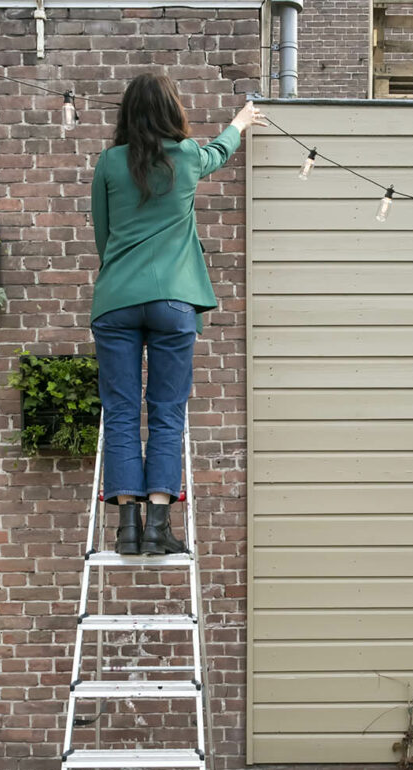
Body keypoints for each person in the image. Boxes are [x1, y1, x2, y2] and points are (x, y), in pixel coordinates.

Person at [90, 73, 267, 555]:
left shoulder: (108, 163)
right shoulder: (187, 156)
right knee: (166, 412)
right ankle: (158, 526)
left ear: (126, 113)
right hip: (174, 301)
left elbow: (103, 238)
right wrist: (242, 121)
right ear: (172, 111)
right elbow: (220, 151)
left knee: (122, 410)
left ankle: (127, 525)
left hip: (116, 301)